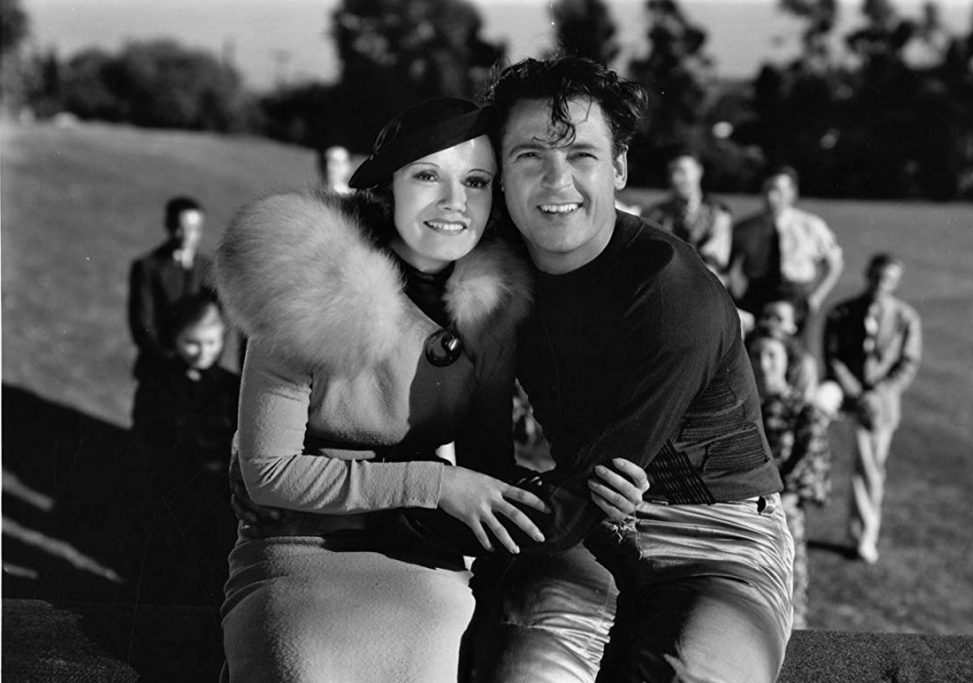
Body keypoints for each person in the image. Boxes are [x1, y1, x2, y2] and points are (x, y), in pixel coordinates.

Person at [215, 98, 647, 683]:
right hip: (298, 545)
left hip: (418, 550)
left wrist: (596, 498)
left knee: (440, 646)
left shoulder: (489, 305)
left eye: (476, 181)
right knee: (300, 663)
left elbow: (487, 470)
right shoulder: (305, 280)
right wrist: (435, 483)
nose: (453, 202)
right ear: (387, 188)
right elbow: (269, 472)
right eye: (427, 176)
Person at [469, 56, 794, 683]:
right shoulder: (495, 270)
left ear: (618, 167)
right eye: (530, 155)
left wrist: (452, 506)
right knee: (526, 672)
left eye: (582, 155)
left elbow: (579, 498)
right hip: (583, 527)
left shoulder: (669, 289)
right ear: (500, 171)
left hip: (717, 540)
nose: (556, 180)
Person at [131, 292, 239, 605]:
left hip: (217, 499)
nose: (203, 352)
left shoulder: (230, 389)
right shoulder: (157, 384)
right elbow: (147, 439)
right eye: (192, 342)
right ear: (175, 337)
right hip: (169, 494)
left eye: (211, 342)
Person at [823, 252, 922, 564]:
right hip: (845, 393)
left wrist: (876, 394)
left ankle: (863, 537)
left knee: (869, 468)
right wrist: (855, 391)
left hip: (880, 401)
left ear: (896, 283)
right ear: (868, 275)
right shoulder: (843, 312)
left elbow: (907, 364)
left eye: (889, 279)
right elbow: (833, 357)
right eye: (877, 277)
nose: (881, 284)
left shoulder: (906, 318)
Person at [746, 327, 833, 629]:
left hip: (781, 525)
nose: (763, 364)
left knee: (788, 615)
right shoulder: (738, 410)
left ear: (788, 360)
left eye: (772, 354)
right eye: (756, 355)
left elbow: (806, 477)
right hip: (736, 522)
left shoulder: (804, 413)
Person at [728, 166, 844, 338]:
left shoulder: (811, 226)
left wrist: (816, 297)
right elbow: (727, 268)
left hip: (796, 297)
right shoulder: (744, 229)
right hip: (757, 296)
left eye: (778, 191)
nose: (771, 197)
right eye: (767, 190)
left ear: (792, 193)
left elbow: (834, 264)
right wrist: (734, 300)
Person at [128, 195, 214, 378]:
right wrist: (172, 363)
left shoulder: (208, 269)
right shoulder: (148, 267)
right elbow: (142, 324)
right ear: (169, 225)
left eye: (195, 229)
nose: (188, 236)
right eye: (181, 228)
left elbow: (217, 324)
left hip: (200, 372)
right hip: (159, 369)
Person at [642, 144, 732, 283]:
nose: (676, 178)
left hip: (706, 283)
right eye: (672, 172)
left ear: (699, 171)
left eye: (682, 171)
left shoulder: (717, 213)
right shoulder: (655, 214)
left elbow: (715, 259)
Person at [757, 298, 820, 400]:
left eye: (779, 319)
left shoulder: (804, 364)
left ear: (793, 327)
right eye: (766, 317)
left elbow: (804, 402)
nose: (770, 323)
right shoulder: (746, 351)